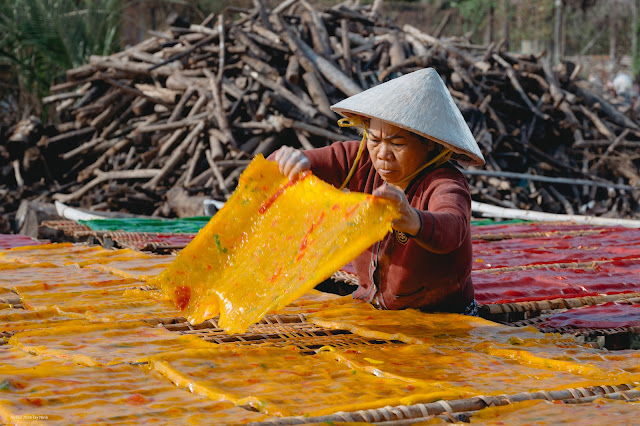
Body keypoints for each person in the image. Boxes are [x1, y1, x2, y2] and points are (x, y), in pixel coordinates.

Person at [270, 68, 485, 315]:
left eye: (397, 143)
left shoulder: (445, 182)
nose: (382, 154)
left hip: (441, 315)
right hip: (371, 307)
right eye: (374, 140)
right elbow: (302, 162)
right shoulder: (359, 160)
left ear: (429, 144)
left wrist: (412, 220)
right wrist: (289, 159)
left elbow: (453, 227)